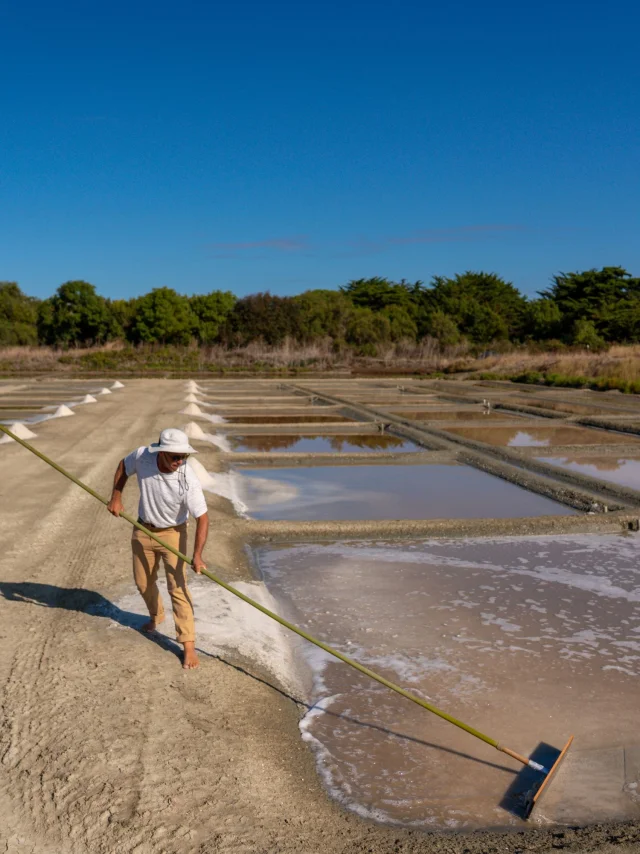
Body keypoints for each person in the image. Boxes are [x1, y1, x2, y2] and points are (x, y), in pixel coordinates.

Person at [107, 428, 209, 670]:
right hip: (143, 529)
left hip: (173, 533)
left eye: (183, 456)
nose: (179, 461)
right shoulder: (142, 457)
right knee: (143, 583)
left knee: (178, 588)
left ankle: (188, 645)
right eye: (175, 456)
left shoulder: (187, 479)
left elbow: (202, 518)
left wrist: (197, 555)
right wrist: (116, 497)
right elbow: (123, 466)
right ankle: (156, 615)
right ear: (160, 452)